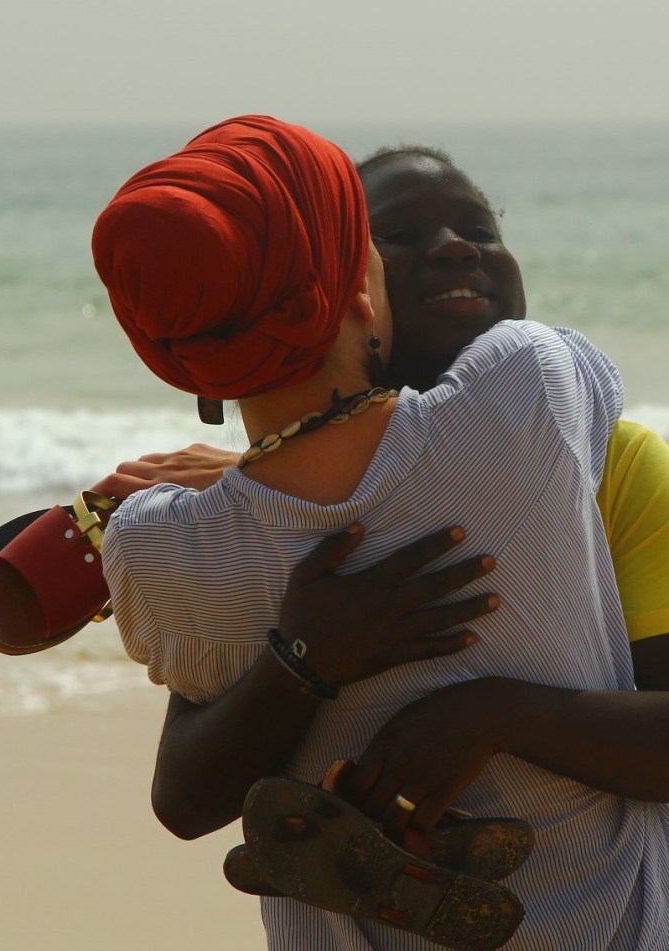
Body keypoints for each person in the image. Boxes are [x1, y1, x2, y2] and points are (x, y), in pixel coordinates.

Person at [91, 115, 669, 950]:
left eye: (479, 227)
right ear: (356, 288)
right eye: (385, 237)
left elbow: (186, 799)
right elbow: (182, 791)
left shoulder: (171, 546)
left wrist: (316, 659)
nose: (456, 249)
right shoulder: (534, 390)